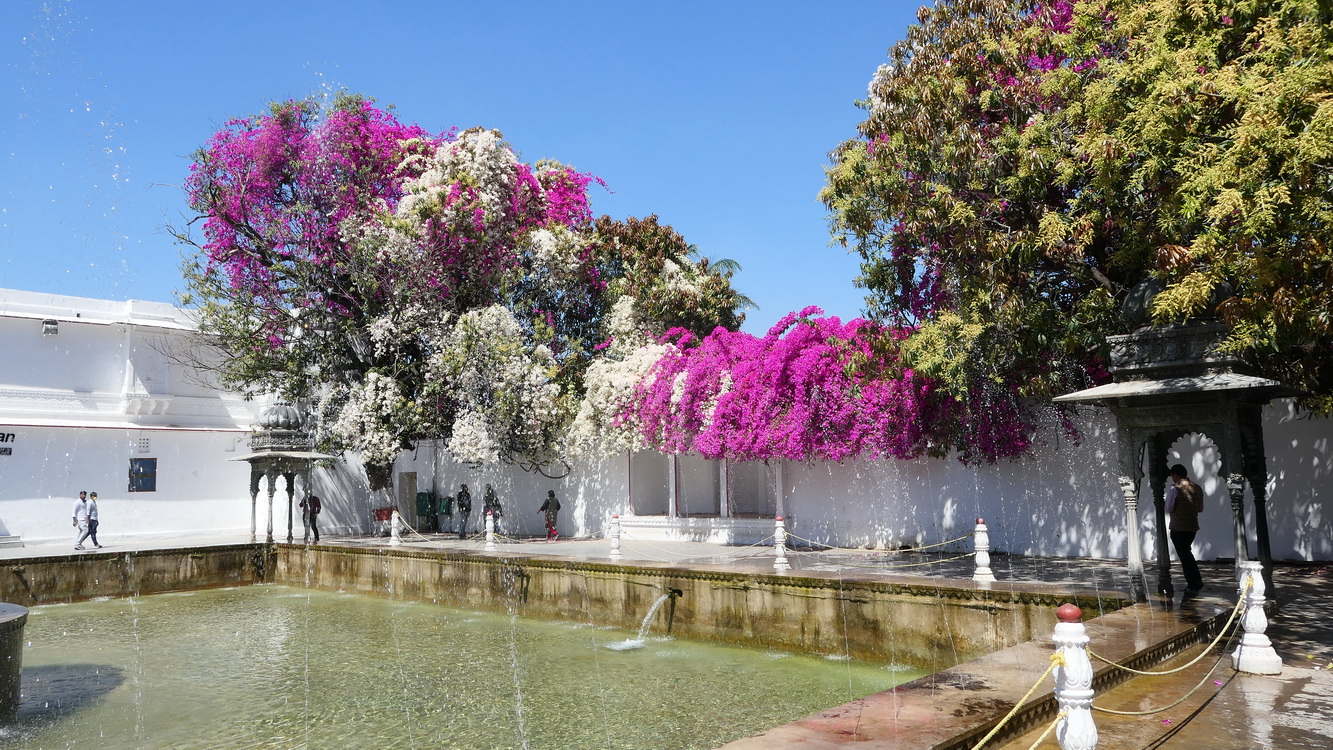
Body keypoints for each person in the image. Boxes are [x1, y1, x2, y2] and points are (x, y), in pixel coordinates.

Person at [1166, 464, 1205, 593]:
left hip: (1178, 527)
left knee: (1185, 556)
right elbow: (1200, 508)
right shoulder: (1196, 487)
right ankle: (1195, 582)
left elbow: (1169, 507)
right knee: (1187, 554)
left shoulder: (1175, 488)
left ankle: (1193, 583)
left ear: (1176, 474)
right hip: (1192, 526)